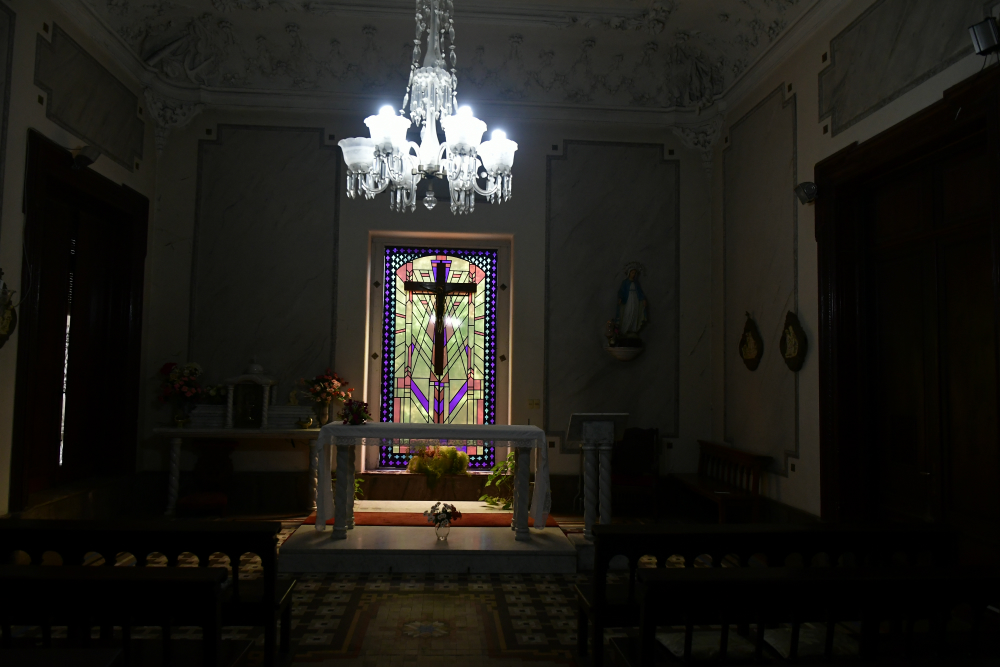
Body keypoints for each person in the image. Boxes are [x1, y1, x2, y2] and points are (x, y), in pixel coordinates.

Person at [616, 267, 647, 336]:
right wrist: (620, 298)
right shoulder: (625, 282)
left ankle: (633, 329)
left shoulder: (636, 283)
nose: (634, 274)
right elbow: (622, 290)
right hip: (628, 299)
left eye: (635, 273)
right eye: (632, 273)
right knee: (628, 312)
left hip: (635, 298)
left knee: (634, 312)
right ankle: (625, 329)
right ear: (629, 273)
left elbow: (639, 292)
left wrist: (643, 299)